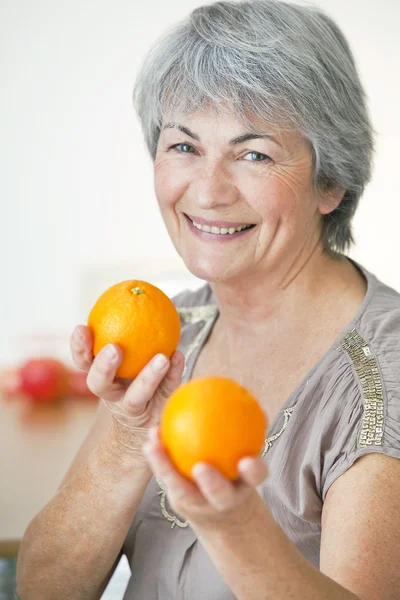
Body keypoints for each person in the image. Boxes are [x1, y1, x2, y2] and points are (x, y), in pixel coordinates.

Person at [16, 0, 400, 598]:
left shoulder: (384, 378)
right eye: (184, 146)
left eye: (254, 154)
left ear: (331, 181)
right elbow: (43, 588)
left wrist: (235, 527)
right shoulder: (171, 330)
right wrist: (125, 433)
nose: (208, 191)